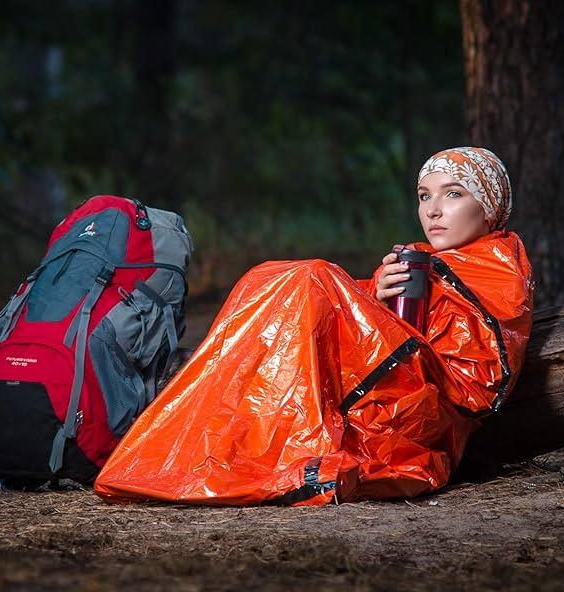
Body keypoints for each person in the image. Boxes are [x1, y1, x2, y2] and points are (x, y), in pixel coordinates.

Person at [94, 147, 535, 506]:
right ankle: (200, 445)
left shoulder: (499, 269)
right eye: (424, 196)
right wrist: (376, 295)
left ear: (488, 207)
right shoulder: (423, 258)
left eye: (453, 194)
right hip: (389, 388)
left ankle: (265, 445)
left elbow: (474, 385)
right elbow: (377, 329)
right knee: (267, 277)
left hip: (416, 416)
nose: (433, 210)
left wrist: (377, 309)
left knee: (314, 277)